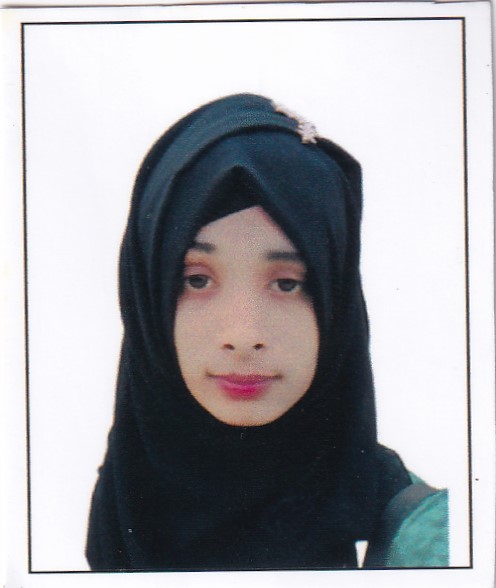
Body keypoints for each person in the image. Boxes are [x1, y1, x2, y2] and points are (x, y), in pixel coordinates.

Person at [86, 93, 448, 571]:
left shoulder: (433, 547)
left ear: (336, 304)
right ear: (148, 297)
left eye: (287, 283)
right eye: (197, 280)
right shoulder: (122, 501)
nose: (244, 335)